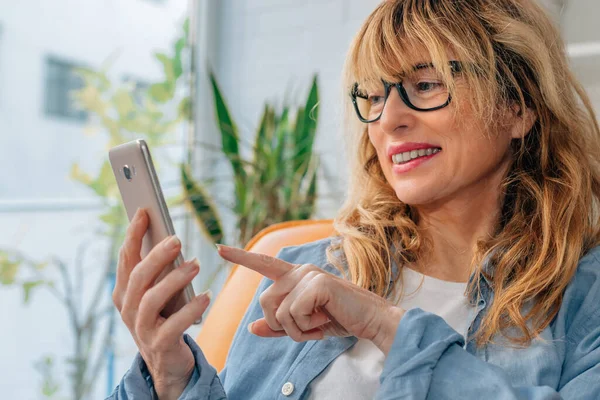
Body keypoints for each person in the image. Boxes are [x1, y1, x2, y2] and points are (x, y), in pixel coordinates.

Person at [108, 0, 600, 399]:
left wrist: (385, 325)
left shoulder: (583, 297)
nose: (388, 120)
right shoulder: (300, 271)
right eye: (373, 95)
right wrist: (172, 379)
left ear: (517, 108)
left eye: (425, 85)